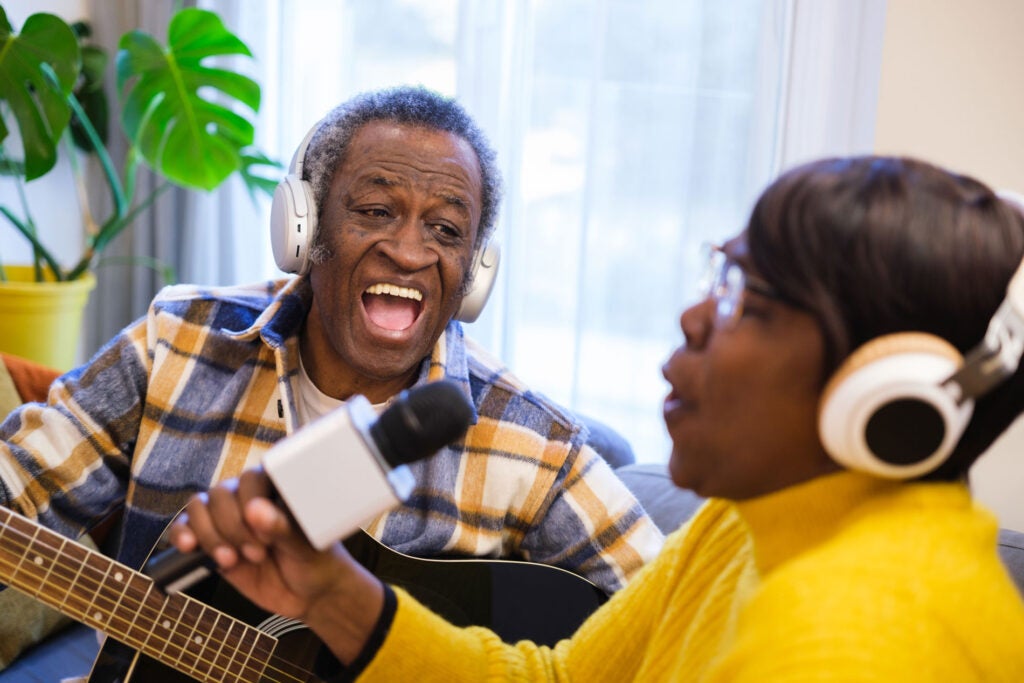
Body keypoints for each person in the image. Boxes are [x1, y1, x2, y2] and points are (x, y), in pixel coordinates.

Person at [172, 155, 1024, 681]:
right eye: (719, 277)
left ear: (882, 401)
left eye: (751, 300)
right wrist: (331, 592)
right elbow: (560, 679)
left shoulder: (856, 641)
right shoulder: (751, 520)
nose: (696, 318)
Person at [0, 85, 662, 604]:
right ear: (303, 228)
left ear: (473, 274)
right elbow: (22, 487)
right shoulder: (176, 342)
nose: (408, 252)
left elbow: (678, 616)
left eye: (445, 229)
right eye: (375, 211)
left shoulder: (531, 444)